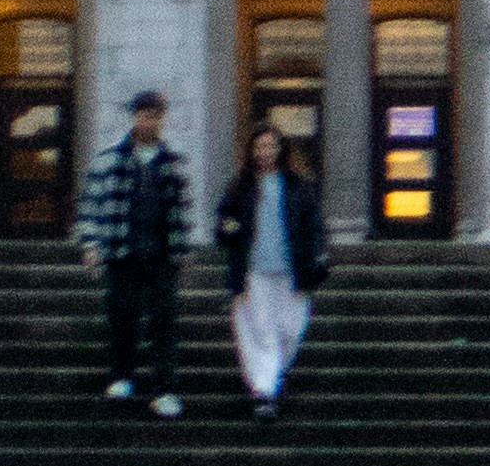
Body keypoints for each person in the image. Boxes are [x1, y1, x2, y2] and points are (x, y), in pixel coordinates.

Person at [78, 87, 194, 419]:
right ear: (134, 117)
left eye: (156, 116)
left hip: (161, 253)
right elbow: (91, 204)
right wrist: (91, 243)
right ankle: (121, 376)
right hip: (122, 250)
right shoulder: (109, 159)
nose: (150, 123)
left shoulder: (174, 161)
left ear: (163, 118)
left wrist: (182, 251)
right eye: (145, 116)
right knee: (122, 318)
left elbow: (182, 210)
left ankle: (166, 388)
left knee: (164, 323)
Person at [212, 119, 330, 422]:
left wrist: (318, 257)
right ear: (252, 151)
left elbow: (314, 227)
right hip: (254, 271)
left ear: (281, 149)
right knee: (261, 332)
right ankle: (264, 393)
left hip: (292, 270)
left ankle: (273, 374)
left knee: (291, 330)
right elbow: (222, 226)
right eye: (260, 146)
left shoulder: (299, 187)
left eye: (271, 146)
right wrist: (229, 228)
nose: (266, 152)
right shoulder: (241, 187)